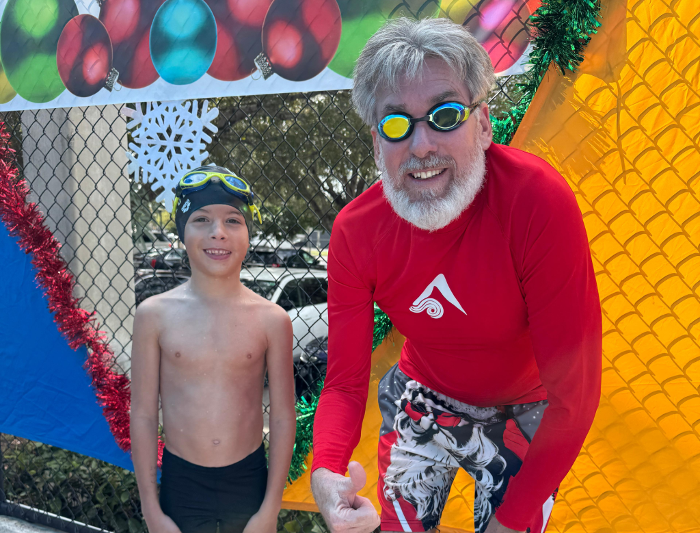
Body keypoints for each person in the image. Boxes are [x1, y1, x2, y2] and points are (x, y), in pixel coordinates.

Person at [311, 18, 602, 533]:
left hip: (527, 406)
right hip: (424, 395)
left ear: (484, 124)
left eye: (445, 115)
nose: (421, 145)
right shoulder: (357, 232)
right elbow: (344, 383)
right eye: (395, 124)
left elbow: (573, 397)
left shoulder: (537, 202)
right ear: (377, 145)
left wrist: (512, 520)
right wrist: (326, 472)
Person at [130, 166, 296, 533]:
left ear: (248, 235)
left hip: (249, 480)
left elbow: (284, 417)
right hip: (181, 483)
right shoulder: (154, 315)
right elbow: (142, 414)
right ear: (182, 231)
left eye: (232, 220)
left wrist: (270, 509)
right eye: (201, 219)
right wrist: (151, 510)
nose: (217, 232)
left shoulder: (272, 320)